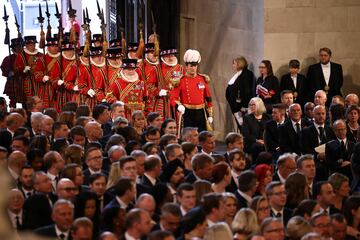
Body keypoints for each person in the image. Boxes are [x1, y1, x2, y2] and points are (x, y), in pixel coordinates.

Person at [170, 49, 213, 132]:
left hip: (201, 113)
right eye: (191, 66)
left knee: (202, 137)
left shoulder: (202, 79)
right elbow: (173, 98)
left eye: (195, 66)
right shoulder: (180, 80)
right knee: (188, 137)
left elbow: (208, 98)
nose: (193, 68)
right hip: (187, 113)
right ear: (186, 66)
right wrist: (179, 105)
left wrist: (210, 115)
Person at [225, 56, 255, 127]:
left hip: (242, 107)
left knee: (243, 126)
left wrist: (244, 106)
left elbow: (247, 91)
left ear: (240, 64)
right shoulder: (238, 74)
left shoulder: (247, 74)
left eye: (234, 64)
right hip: (236, 106)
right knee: (240, 126)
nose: (233, 65)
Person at [1, 37, 24, 107]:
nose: (18, 48)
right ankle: (12, 113)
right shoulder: (8, 58)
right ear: (13, 48)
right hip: (13, 81)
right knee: (13, 100)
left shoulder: (25, 57)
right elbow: (3, 68)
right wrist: (9, 72)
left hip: (24, 80)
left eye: (19, 46)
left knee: (25, 99)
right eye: (16, 47)